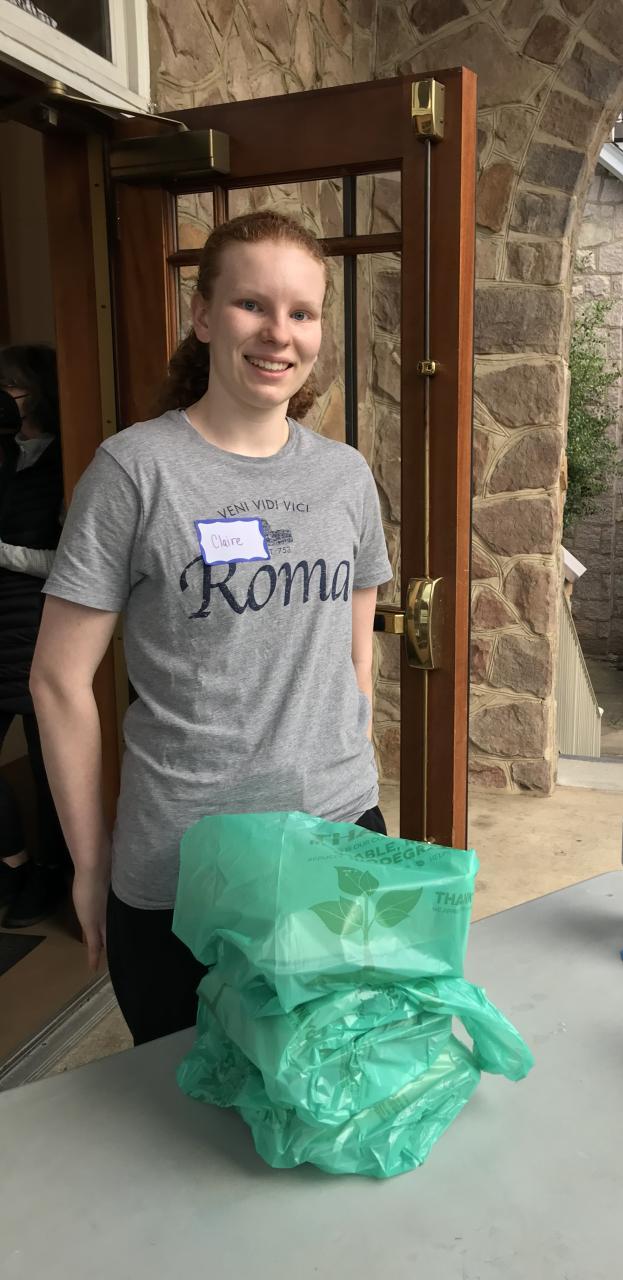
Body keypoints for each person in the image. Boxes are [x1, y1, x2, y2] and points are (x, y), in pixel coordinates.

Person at [30, 211, 393, 1045]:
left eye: (302, 312)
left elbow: (356, 648)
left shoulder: (345, 477)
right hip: (184, 864)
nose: (278, 333)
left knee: (336, 1076)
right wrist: (90, 861)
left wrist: (348, 775)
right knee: (184, 1105)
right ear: (202, 316)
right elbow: (56, 680)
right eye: (251, 305)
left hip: (338, 840)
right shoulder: (135, 471)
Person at [0, 345, 70, 928]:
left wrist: (3, 553)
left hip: (37, 627)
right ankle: (14, 863)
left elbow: (71, 563)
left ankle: (51, 874)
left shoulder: (67, 461)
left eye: (13, 386)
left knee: (52, 767)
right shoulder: (5, 454)